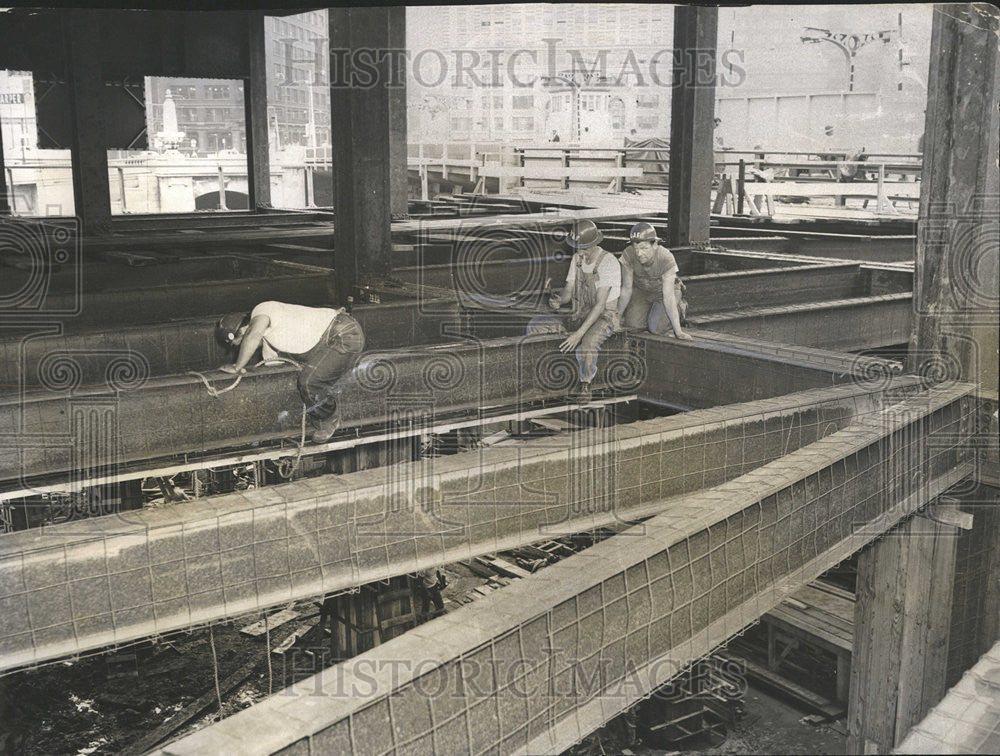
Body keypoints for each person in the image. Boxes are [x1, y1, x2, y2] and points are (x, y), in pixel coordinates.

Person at [217, 301, 365, 443]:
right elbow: (273, 370)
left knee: (309, 382)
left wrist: (237, 366)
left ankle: (328, 418)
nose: (247, 347)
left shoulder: (261, 310)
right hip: (329, 340)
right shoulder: (270, 342)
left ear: (244, 330)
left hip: (343, 334)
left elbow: (253, 335)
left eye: (241, 343)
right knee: (307, 378)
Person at [527, 219, 620, 402]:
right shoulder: (577, 259)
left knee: (588, 343)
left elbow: (600, 305)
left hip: (603, 317)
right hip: (578, 312)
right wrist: (559, 301)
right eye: (577, 247)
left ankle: (585, 382)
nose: (579, 252)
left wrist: (577, 334)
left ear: (594, 243)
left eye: (583, 248)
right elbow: (568, 292)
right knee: (535, 325)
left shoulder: (608, 263)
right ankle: (543, 376)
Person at [617, 222, 692, 341]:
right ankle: (651, 312)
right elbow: (626, 288)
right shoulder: (628, 253)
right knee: (632, 326)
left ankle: (680, 308)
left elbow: (668, 297)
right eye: (635, 248)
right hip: (642, 290)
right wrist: (616, 319)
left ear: (655, 244)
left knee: (656, 329)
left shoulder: (665, 257)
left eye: (644, 248)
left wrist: (678, 332)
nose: (639, 253)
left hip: (665, 293)